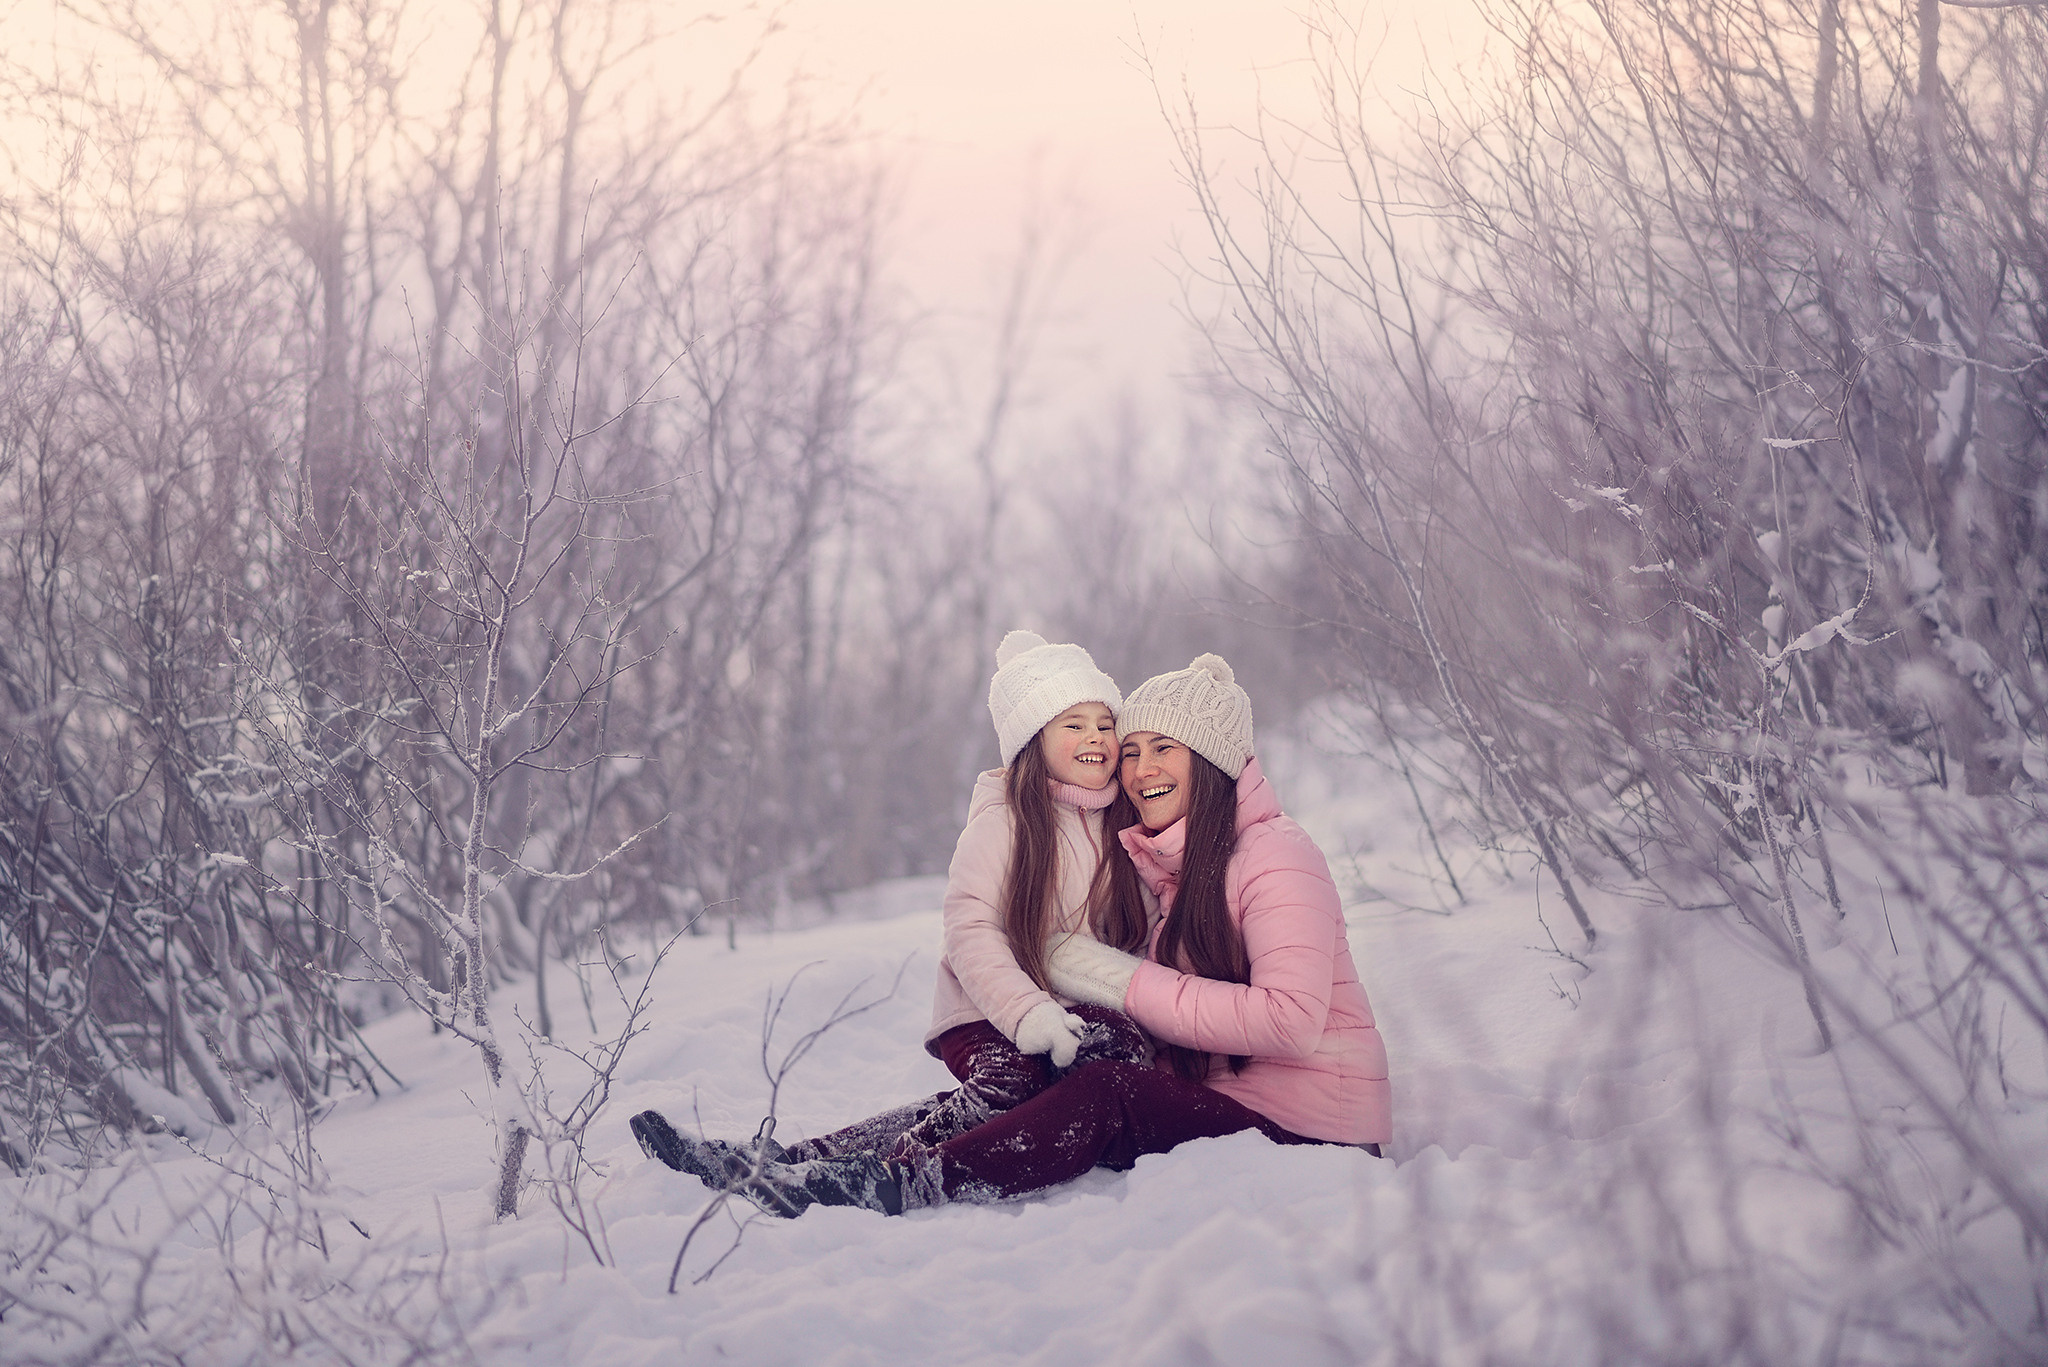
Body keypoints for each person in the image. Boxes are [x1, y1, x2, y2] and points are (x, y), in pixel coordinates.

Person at [692, 652, 1392, 1216]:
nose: (1140, 768)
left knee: (1110, 1092)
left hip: (1320, 1136)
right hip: (1245, 1108)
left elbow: (1294, 1022)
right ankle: (802, 1159)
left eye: (1165, 750)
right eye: (1134, 749)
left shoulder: (1275, 854)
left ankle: (909, 1182)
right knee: (1039, 1081)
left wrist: (1119, 981)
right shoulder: (1175, 867)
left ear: (1210, 762)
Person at [632, 630, 1154, 1200]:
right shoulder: (1004, 822)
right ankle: (862, 1180)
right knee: (1013, 1078)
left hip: (1071, 1008)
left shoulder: (1126, 826)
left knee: (1076, 1072)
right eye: (1073, 724)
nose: (1096, 738)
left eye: (1105, 724)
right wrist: (1026, 1011)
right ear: (1033, 739)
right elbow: (970, 930)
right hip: (986, 1008)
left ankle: (795, 1160)